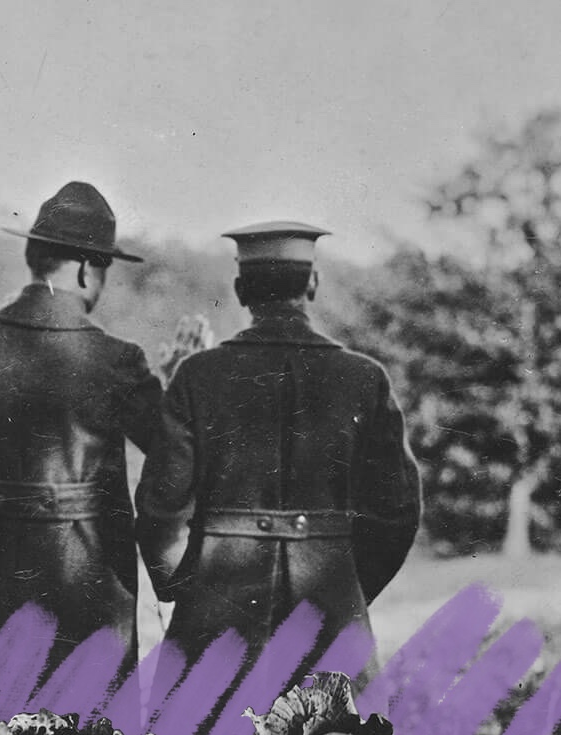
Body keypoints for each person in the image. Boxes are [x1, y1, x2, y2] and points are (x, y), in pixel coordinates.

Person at [135, 221, 422, 685]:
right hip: (328, 601)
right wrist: (347, 587)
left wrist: (182, 587)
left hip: (215, 599)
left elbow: (160, 506)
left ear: (240, 289)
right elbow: (397, 511)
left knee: (204, 729)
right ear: (312, 284)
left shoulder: (197, 375)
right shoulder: (365, 378)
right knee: (333, 727)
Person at [0, 182, 163, 683]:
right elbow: (168, 442)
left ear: (32, 257)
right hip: (86, 588)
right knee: (87, 722)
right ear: (86, 270)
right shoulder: (119, 360)